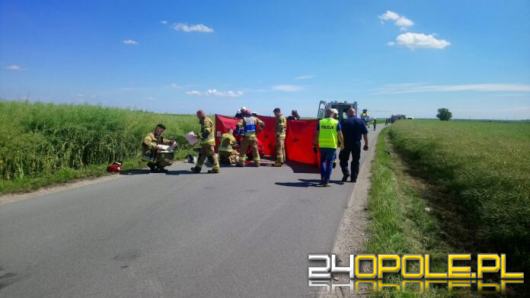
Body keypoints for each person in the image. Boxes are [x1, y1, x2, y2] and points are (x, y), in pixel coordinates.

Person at [314, 108, 344, 187]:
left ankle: (322, 179)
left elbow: (316, 134)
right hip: (331, 146)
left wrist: (315, 144)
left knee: (322, 162)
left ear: (326, 113)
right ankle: (326, 181)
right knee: (329, 163)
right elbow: (340, 134)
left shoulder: (320, 122)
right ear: (333, 114)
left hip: (322, 145)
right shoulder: (336, 122)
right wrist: (342, 144)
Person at [339, 107, 368, 183]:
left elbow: (339, 133)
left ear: (348, 113)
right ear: (354, 113)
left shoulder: (344, 121)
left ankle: (346, 173)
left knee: (343, 160)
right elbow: (365, 134)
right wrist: (366, 144)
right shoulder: (360, 122)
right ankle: (353, 178)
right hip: (356, 144)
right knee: (355, 160)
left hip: (346, 143)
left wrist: (339, 143)